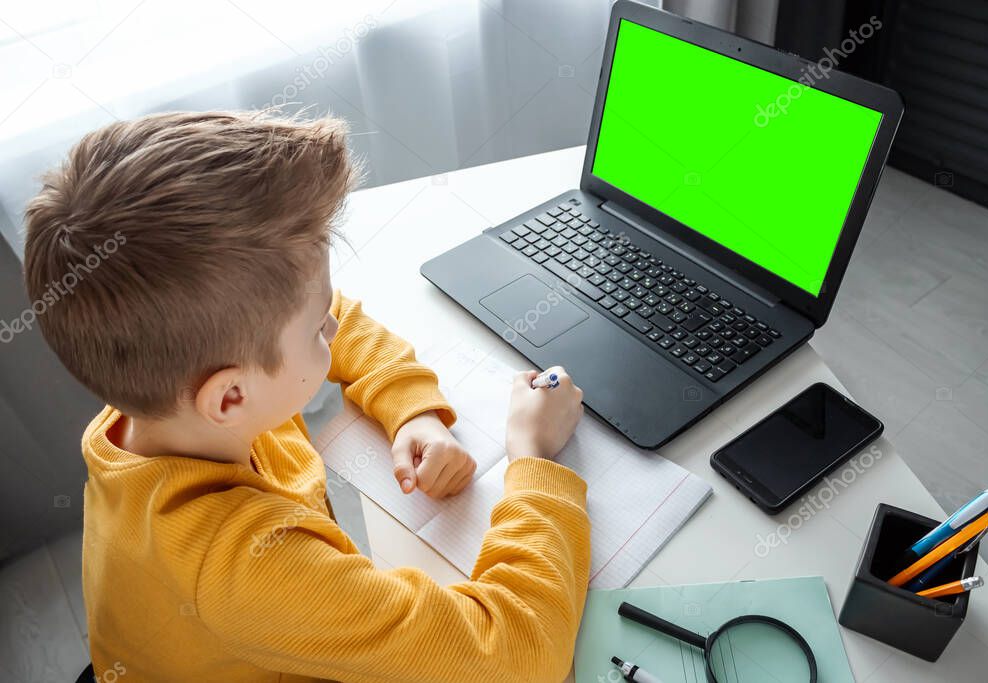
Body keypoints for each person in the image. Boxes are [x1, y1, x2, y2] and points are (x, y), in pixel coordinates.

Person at [22, 111, 590, 682]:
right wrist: (534, 459)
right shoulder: (247, 570)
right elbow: (519, 656)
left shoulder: (160, 403)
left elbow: (332, 309)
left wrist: (410, 405)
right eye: (318, 330)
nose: (335, 331)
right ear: (229, 398)